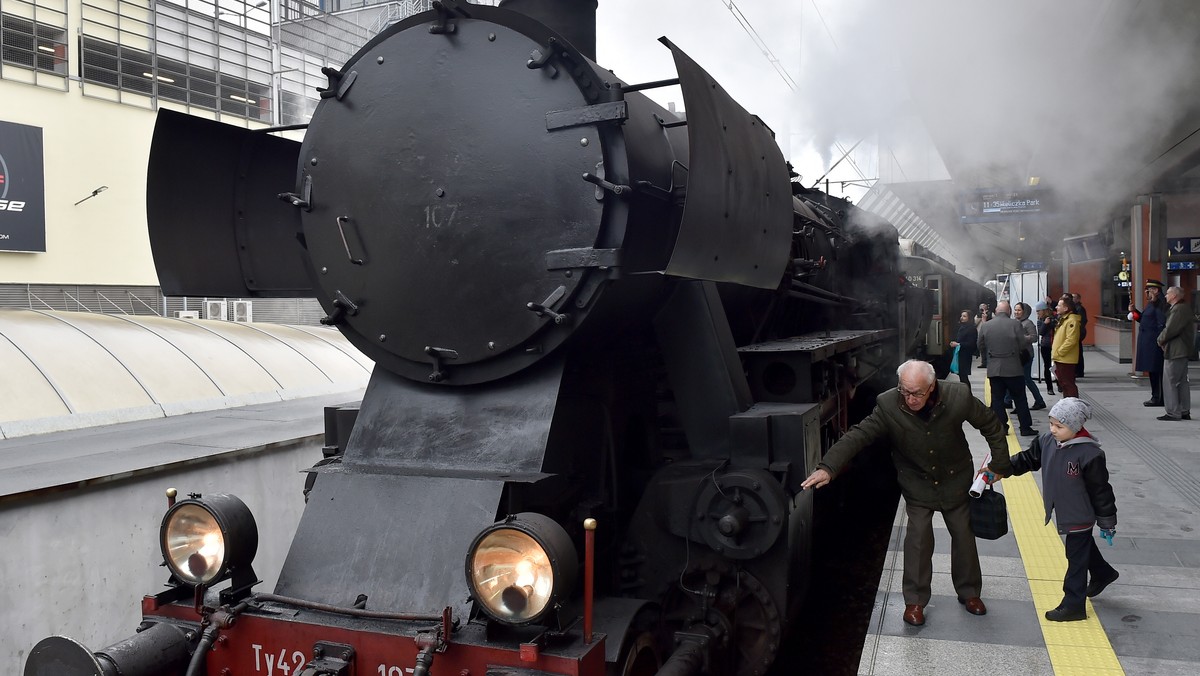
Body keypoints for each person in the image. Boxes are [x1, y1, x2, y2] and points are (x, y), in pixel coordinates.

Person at [800, 360, 1012, 627]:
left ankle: (969, 593)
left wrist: (1000, 465)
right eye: (905, 391)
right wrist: (828, 467)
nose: (910, 399)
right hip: (916, 481)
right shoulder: (889, 404)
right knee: (918, 539)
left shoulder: (958, 396)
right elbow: (858, 435)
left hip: (954, 478)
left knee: (963, 534)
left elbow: (991, 425)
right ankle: (915, 601)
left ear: (932, 386)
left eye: (918, 393)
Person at [989, 398, 1118, 622]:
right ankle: (1103, 573)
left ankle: (1073, 604)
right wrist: (1002, 469)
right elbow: (1028, 459)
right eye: (1051, 423)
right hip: (1064, 510)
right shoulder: (1047, 440)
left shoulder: (1090, 454)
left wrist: (1107, 521)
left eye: (1060, 426)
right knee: (1082, 548)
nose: (1053, 429)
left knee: (1075, 558)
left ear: (1076, 427)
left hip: (1081, 514)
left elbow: (1101, 491)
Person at [977, 301, 1037, 436]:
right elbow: (1022, 343)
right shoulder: (1015, 324)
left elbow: (980, 344)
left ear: (996, 311)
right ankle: (1025, 428)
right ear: (1009, 311)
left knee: (997, 400)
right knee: (1020, 398)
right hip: (1014, 368)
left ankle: (1002, 427)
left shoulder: (986, 326)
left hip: (994, 370)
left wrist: (990, 356)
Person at [1156, 285, 1195, 422]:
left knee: (1170, 381)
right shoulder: (1183, 308)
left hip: (1176, 350)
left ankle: (1173, 412)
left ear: (1174, 296)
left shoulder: (1178, 309)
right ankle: (1184, 410)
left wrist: (1159, 340)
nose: (1165, 296)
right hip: (1182, 350)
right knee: (1182, 381)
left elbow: (1170, 329)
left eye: (1167, 293)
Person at [1129, 279, 1167, 406]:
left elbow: (1162, 324)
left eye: (1148, 290)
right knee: (1152, 371)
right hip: (1148, 342)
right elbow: (1144, 320)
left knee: (1157, 371)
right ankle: (1155, 396)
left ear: (1155, 291)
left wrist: (1161, 341)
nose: (1146, 293)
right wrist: (1134, 312)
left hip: (1154, 343)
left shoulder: (1160, 304)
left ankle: (1159, 397)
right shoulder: (1152, 303)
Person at [1013, 301, 1047, 410]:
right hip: (1016, 356)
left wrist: (1021, 337)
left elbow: (1034, 337)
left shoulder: (1028, 323)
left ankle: (1039, 401)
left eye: (1019, 310)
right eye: (1015, 309)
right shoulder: (1014, 322)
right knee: (1015, 378)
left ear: (1024, 311)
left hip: (1026, 355)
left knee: (1026, 379)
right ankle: (1007, 400)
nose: (1016, 312)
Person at [1052, 295, 1082, 398]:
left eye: (1059, 305)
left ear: (1066, 308)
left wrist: (1060, 352)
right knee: (1064, 384)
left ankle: (1073, 406)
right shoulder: (1064, 319)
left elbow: (1071, 340)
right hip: (1061, 358)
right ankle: (1067, 406)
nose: (1056, 307)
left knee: (1068, 384)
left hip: (1066, 359)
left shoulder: (1071, 321)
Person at [950, 309, 977, 389]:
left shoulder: (971, 329)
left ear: (970, 318)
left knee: (963, 377)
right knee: (962, 376)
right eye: (961, 316)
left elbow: (971, 344)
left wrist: (958, 344)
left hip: (965, 356)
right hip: (960, 355)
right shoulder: (962, 327)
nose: (962, 318)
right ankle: (967, 394)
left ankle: (968, 394)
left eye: (964, 316)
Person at [1035, 300, 1057, 395]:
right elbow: (1041, 332)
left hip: (1055, 344)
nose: (1037, 313)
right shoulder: (1040, 321)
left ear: (1044, 310)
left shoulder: (1054, 317)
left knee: (1057, 365)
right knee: (1047, 366)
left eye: (1038, 311)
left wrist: (1051, 322)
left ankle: (1059, 384)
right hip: (1045, 345)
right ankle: (1049, 387)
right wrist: (1045, 323)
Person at [1073, 292, 1088, 377]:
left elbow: (1082, 321)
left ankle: (1079, 371)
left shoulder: (1079, 309)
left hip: (1079, 332)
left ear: (1078, 299)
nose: (1072, 299)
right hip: (1078, 332)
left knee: (1078, 352)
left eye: (1074, 297)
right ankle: (1078, 370)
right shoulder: (1076, 308)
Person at [976, 303, 993, 367]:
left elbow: (989, 324)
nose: (983, 310)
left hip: (988, 334)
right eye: (981, 309)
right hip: (980, 334)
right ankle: (983, 362)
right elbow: (974, 324)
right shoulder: (978, 315)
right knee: (982, 348)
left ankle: (988, 362)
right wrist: (979, 317)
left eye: (985, 308)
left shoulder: (991, 314)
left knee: (988, 349)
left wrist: (985, 318)